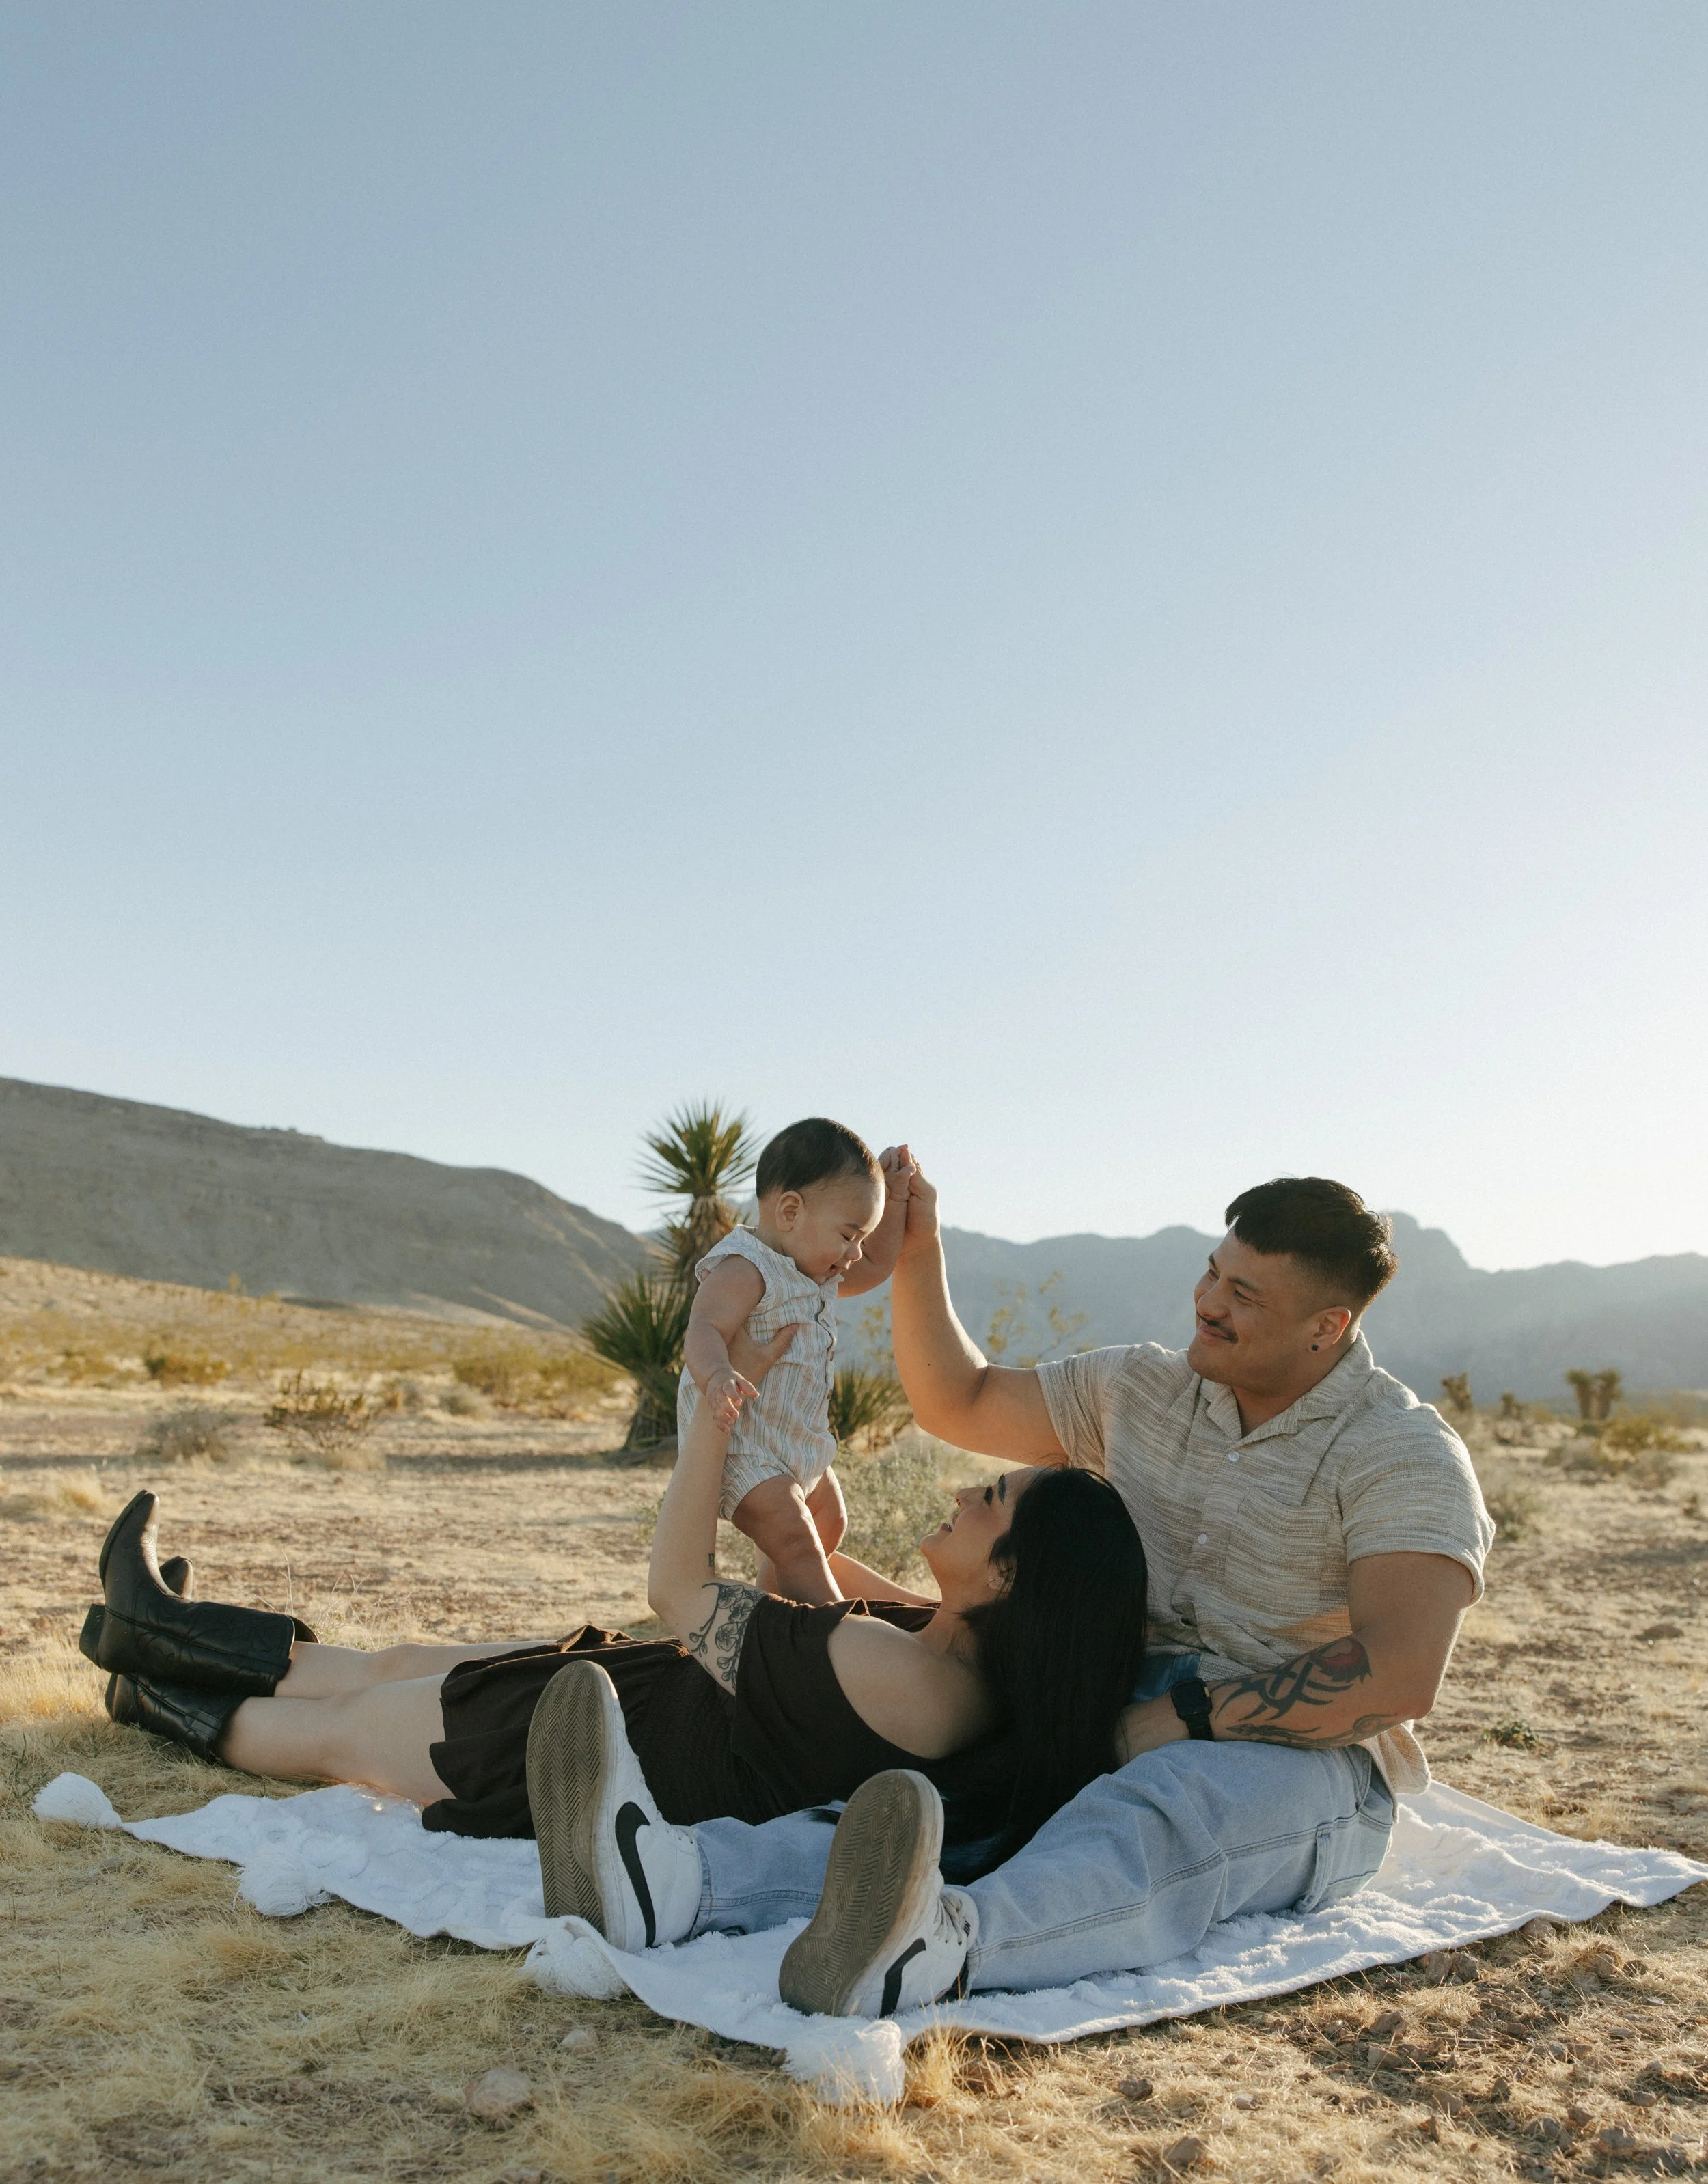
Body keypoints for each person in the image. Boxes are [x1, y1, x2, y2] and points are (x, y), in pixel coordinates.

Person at [562, 1167, 1495, 2019]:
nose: (1207, 1304)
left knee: (1167, 1810)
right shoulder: (1143, 1386)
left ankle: (945, 1947)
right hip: (1104, 1694)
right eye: (1214, 1272)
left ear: (1327, 1326)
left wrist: (1182, 1716)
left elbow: (1400, 1673)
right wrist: (921, 1254)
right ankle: (682, 1879)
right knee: (938, 1801)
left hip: (1287, 1746)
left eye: (1244, 1296)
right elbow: (959, 1399)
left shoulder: (1403, 1455)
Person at [79, 1323, 1148, 1952]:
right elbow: (813, 1584)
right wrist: (781, 1469)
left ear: (1011, 1575)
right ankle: (154, 1627)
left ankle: (149, 1691)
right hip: (636, 1696)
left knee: (348, 1732)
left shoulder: (905, 1678)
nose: (965, 1488)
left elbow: (679, 1587)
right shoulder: (951, 1659)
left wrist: (707, 1428)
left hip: (593, 1744)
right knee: (395, 1665)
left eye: (993, 1497)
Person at [678, 1117, 911, 1605]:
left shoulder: (816, 1272)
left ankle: (774, 1612)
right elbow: (703, 1329)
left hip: (798, 1445)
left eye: (860, 1238)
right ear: (790, 1211)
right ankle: (838, 1634)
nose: (855, 1254)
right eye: (848, 1235)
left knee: (831, 1522)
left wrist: (899, 1198)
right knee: (797, 1543)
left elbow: (878, 1265)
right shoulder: (747, 1266)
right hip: (748, 1448)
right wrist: (719, 1373)